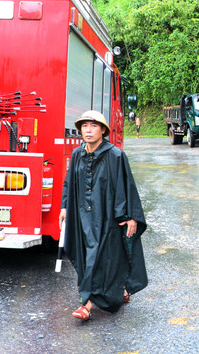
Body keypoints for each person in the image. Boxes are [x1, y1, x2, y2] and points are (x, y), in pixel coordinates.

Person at [59, 110, 148, 320]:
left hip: (108, 217)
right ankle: (121, 290)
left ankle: (86, 305)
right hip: (82, 216)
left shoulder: (115, 155)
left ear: (103, 130)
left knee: (98, 257)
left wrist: (130, 216)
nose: (88, 130)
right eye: (84, 126)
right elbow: (69, 182)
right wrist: (64, 207)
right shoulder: (77, 154)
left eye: (94, 126)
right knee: (90, 256)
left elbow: (127, 186)